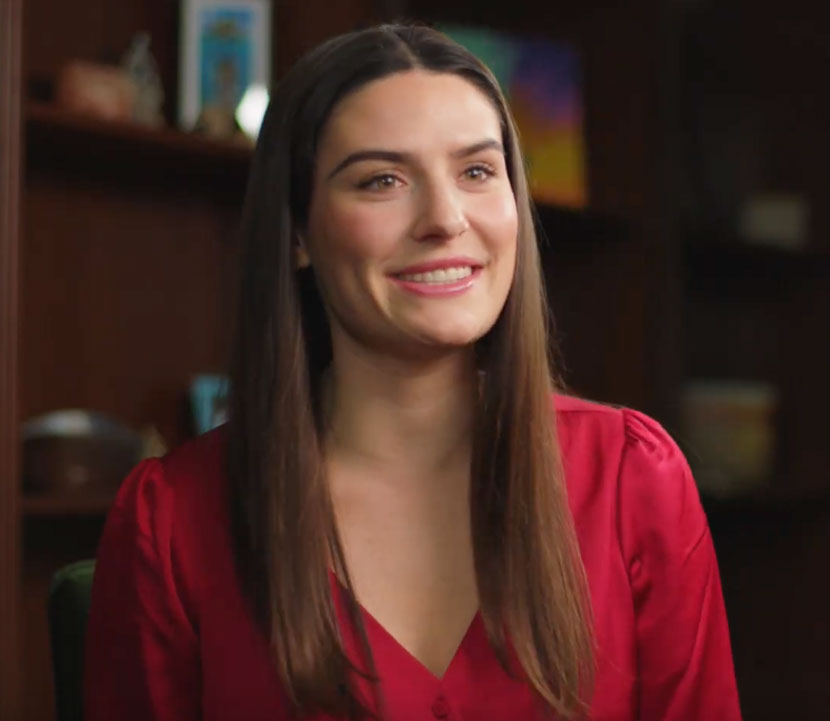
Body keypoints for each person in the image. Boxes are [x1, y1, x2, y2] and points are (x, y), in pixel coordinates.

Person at [84, 23, 741, 721]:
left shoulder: (632, 477)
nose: (445, 218)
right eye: (383, 180)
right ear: (298, 232)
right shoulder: (173, 518)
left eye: (478, 172)